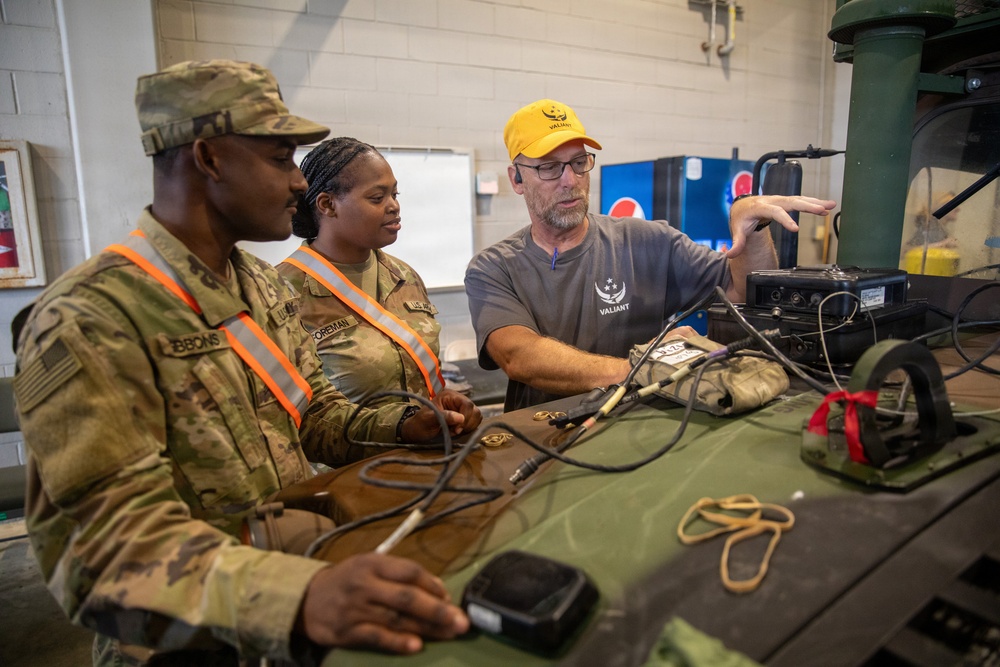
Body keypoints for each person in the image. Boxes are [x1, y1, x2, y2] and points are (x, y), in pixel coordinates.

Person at [12, 60, 477, 666]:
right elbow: (102, 553)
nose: (295, 184)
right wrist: (297, 598)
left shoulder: (258, 287)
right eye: (280, 159)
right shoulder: (91, 317)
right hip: (187, 643)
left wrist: (401, 425)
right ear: (208, 159)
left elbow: (316, 419)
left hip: (288, 609)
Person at [465, 99, 837, 411]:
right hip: (541, 442)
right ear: (516, 179)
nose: (570, 180)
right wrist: (644, 368)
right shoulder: (494, 268)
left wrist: (752, 228)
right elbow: (520, 356)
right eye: (549, 167)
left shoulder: (649, 242)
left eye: (579, 163)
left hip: (643, 431)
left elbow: (742, 291)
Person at [278, 137, 444, 409]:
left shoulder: (404, 275)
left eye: (395, 194)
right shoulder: (284, 291)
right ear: (327, 205)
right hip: (356, 451)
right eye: (377, 198)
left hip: (432, 448)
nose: (393, 206)